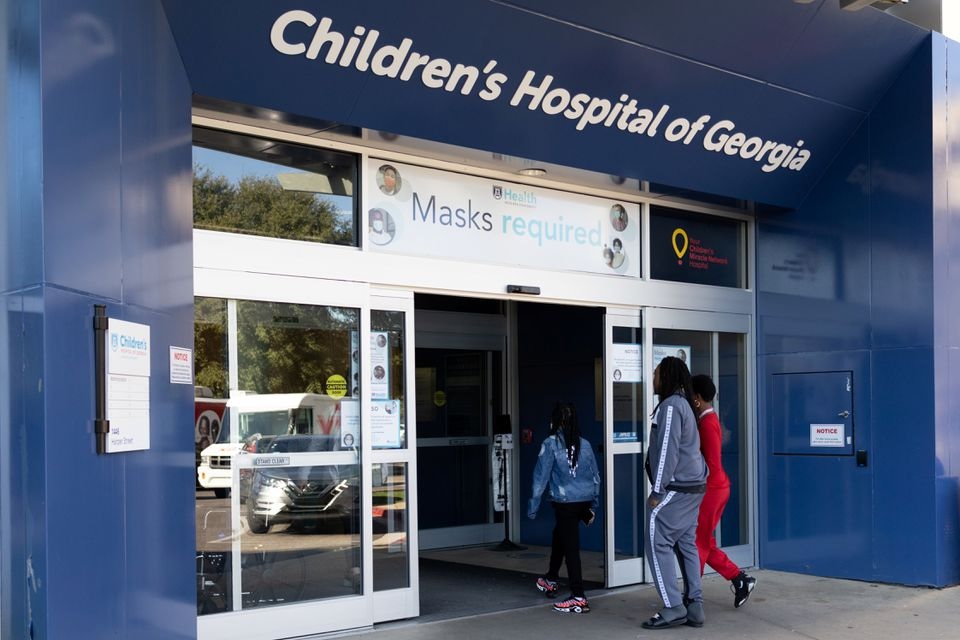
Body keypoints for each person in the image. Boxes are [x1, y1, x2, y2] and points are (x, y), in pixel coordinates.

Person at [642, 356, 708, 629]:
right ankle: (695, 606)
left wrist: (657, 491)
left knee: (657, 543)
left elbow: (668, 451)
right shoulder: (683, 405)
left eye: (656, 373)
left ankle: (673, 607)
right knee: (686, 544)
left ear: (666, 376)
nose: (653, 378)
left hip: (677, 488)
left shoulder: (670, 407)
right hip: (693, 487)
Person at [691, 374, 757, 608]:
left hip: (712, 490)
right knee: (704, 542)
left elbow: (710, 463)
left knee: (696, 542)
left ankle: (692, 598)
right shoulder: (709, 419)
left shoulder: (707, 423)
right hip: (717, 488)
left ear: (697, 398)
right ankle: (740, 580)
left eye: (690, 395)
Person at [528, 402, 600, 614]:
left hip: (565, 502)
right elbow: (595, 476)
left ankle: (578, 596)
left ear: (555, 421)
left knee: (570, 548)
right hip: (583, 500)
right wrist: (593, 504)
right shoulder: (584, 444)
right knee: (559, 536)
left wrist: (533, 507)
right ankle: (551, 578)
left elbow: (540, 478)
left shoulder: (551, 444)